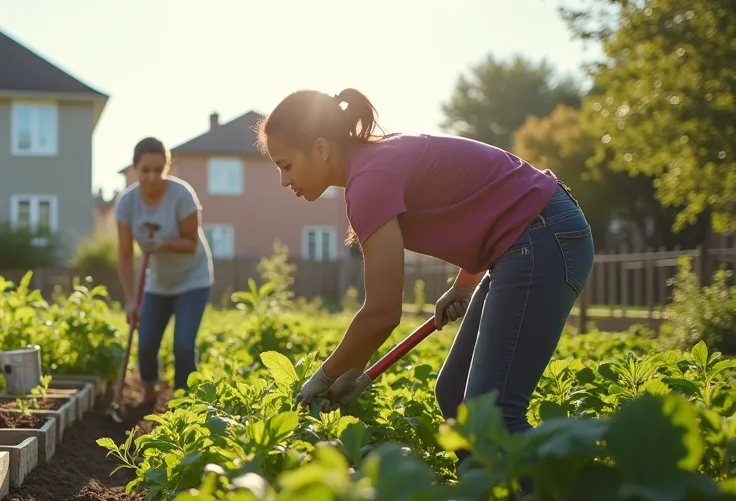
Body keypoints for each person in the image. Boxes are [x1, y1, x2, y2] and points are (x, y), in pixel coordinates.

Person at [258, 88, 595, 435]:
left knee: (493, 415)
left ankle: (562, 489)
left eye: (287, 166)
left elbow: (382, 313)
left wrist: (324, 375)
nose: (285, 181)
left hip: (542, 237)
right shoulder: (374, 163)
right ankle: (484, 489)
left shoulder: (370, 182)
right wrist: (464, 284)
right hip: (530, 236)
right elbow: (485, 199)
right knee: (453, 394)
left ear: (321, 150)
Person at [115, 137, 215, 405]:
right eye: (145, 170)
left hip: (193, 280)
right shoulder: (126, 204)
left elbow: (190, 243)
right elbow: (125, 255)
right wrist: (130, 300)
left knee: (183, 345)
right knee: (146, 343)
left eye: (158, 170)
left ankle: (185, 402)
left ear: (167, 168)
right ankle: (148, 396)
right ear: (135, 168)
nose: (151, 177)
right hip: (157, 284)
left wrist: (161, 244)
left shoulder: (182, 195)